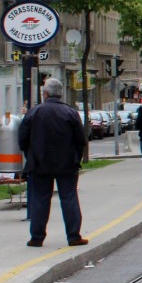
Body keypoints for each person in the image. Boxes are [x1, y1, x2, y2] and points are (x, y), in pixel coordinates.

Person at [18, 78, 88, 247]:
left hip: (39, 164)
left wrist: (31, 156)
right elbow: (81, 140)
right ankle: (73, 236)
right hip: (66, 164)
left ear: (45, 94)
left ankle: (36, 237)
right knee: (69, 198)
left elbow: (22, 139)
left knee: (40, 200)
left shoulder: (34, 113)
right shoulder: (71, 113)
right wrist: (75, 159)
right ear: (61, 94)